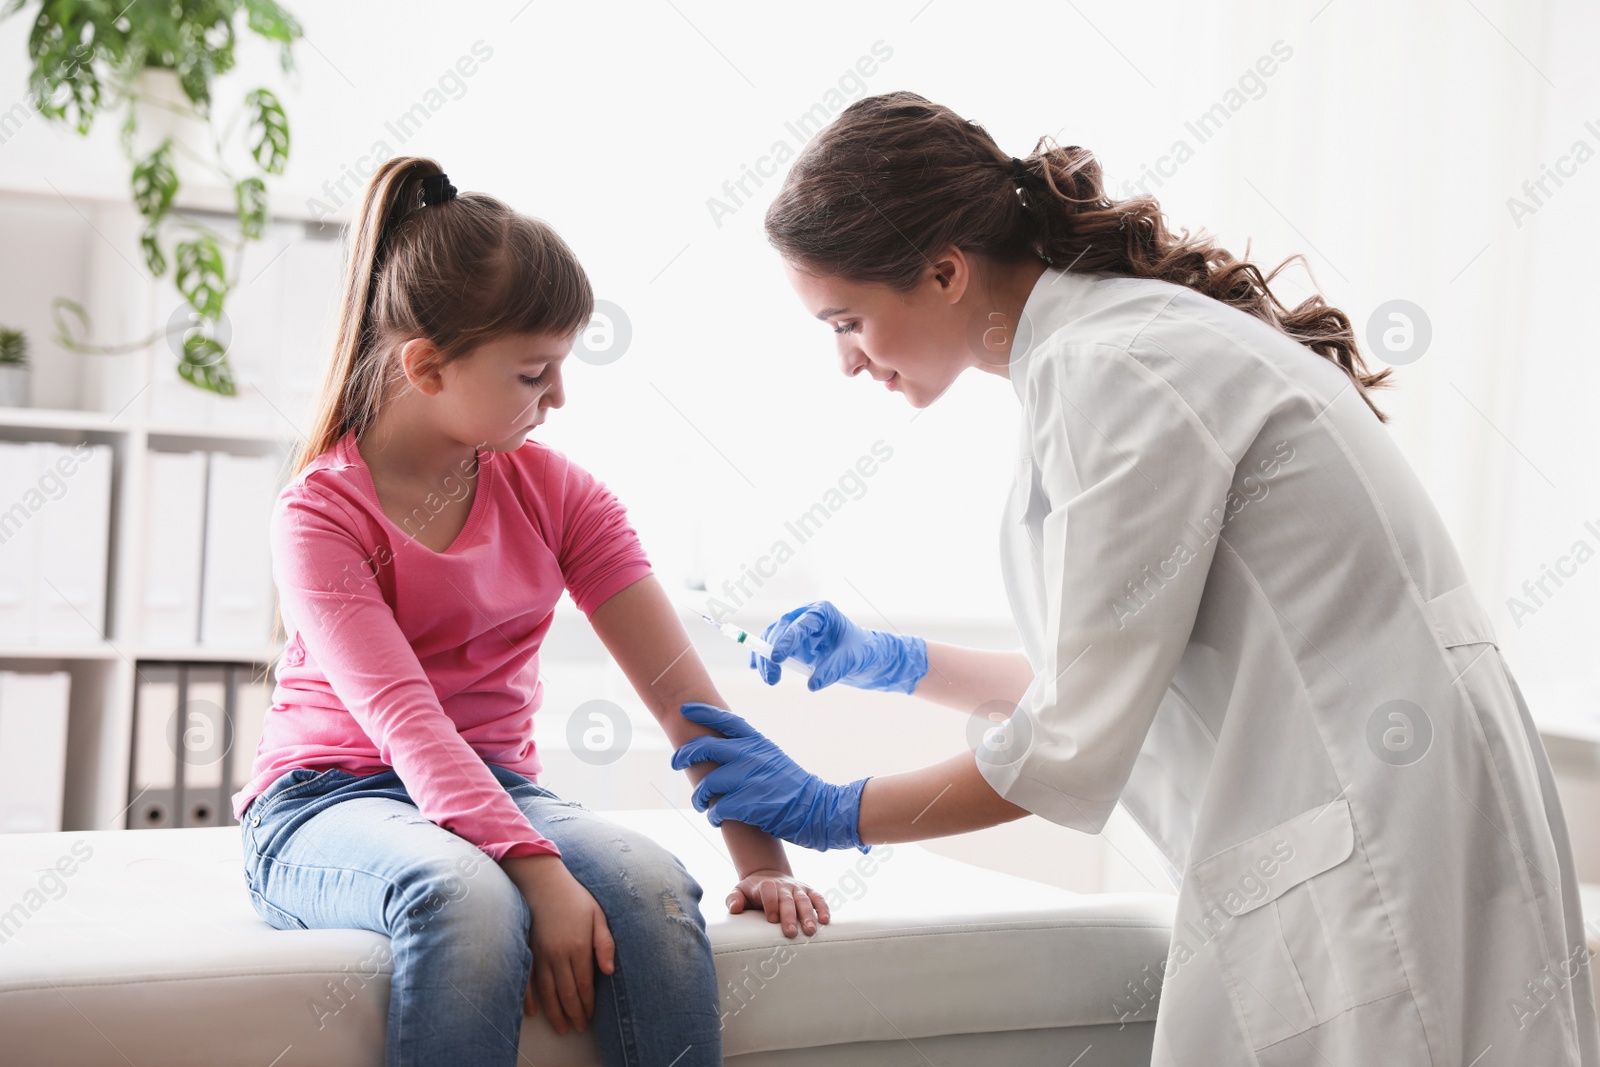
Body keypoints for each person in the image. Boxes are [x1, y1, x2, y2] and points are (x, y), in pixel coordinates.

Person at [671, 91, 1600, 1064]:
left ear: (944, 271)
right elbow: (1118, 675)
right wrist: (897, 662)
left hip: (1379, 844)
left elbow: (1070, 741)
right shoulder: (1109, 348)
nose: (847, 362)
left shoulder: (1117, 369)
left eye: (845, 320)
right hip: (1371, 820)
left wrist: (835, 808)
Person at [232, 157, 829, 1067]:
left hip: (497, 790)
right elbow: (409, 726)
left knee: (657, 890)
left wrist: (761, 861)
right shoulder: (320, 514)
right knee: (464, 898)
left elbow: (686, 697)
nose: (558, 398)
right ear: (425, 366)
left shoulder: (560, 495)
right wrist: (538, 874)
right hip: (325, 799)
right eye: (533, 373)